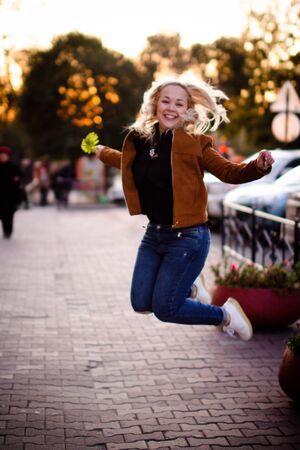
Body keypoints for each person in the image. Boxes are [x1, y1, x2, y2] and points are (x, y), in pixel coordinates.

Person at [94, 76, 274, 341]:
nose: (171, 108)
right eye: (165, 101)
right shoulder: (142, 140)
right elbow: (129, 162)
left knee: (165, 309)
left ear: (187, 109)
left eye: (178, 103)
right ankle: (190, 288)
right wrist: (102, 152)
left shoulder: (196, 144)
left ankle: (225, 315)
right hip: (154, 235)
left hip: (188, 238)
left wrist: (258, 166)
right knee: (141, 302)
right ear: (155, 104)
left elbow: (229, 172)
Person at [0, 146, 23, 238]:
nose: (2, 157)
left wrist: (17, 180)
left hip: (11, 195)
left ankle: (8, 231)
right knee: (1, 214)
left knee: (9, 215)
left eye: (4, 155)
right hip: (0, 195)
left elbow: (21, 177)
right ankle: (5, 230)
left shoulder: (13, 167)